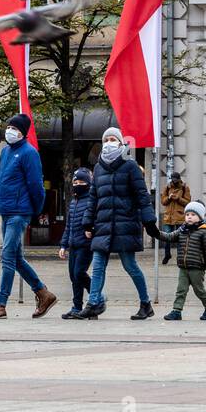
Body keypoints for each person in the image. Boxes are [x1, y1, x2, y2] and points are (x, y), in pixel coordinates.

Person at [0, 113, 58, 320]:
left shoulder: (29, 153)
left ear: (23, 133)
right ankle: (43, 293)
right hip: (6, 211)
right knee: (16, 259)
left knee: (7, 256)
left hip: (19, 212)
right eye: (9, 127)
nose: (10, 131)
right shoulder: (6, 152)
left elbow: (36, 185)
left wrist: (34, 210)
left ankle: (1, 304)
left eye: (15, 129)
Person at [79, 126, 156, 320]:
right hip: (103, 224)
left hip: (125, 223)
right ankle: (93, 303)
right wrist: (87, 223)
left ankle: (145, 304)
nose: (109, 143)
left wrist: (149, 221)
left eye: (113, 139)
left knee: (130, 265)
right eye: (106, 140)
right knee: (97, 265)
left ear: (121, 143)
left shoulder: (130, 166)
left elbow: (142, 196)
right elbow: (93, 198)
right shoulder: (98, 168)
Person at [154, 200, 206, 321]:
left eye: (193, 215)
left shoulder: (204, 231)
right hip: (183, 266)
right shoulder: (183, 229)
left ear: (200, 217)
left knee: (199, 290)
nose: (189, 217)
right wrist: (156, 233)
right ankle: (176, 311)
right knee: (181, 290)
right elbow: (169, 236)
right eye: (187, 214)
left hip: (197, 266)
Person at [57, 168, 94, 319]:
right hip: (73, 244)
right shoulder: (74, 202)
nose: (78, 184)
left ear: (88, 183)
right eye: (75, 182)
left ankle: (96, 299)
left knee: (79, 273)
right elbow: (69, 226)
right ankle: (76, 307)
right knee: (73, 276)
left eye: (81, 182)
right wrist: (63, 245)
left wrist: (91, 229)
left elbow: (95, 219)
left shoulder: (92, 200)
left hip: (86, 244)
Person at [159, 171, 191, 265]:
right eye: (172, 179)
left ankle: (179, 258)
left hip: (180, 216)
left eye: (176, 179)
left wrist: (178, 198)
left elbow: (188, 202)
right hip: (168, 217)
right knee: (166, 237)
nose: (174, 180)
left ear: (179, 179)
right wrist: (169, 198)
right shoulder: (167, 187)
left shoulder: (185, 188)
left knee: (180, 239)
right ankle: (167, 254)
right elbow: (163, 201)